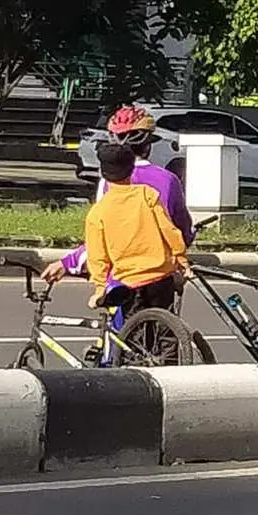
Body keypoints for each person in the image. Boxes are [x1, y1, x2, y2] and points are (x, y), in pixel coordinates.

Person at [42, 105, 192, 293]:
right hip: (160, 272)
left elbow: (100, 237)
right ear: (148, 145)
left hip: (121, 274)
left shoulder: (108, 183)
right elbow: (181, 228)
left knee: (119, 315)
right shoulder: (169, 180)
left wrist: (68, 262)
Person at [82, 143, 190, 364]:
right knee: (166, 331)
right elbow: (169, 230)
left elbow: (98, 257)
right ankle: (170, 370)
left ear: (103, 174)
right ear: (132, 169)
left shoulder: (98, 213)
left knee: (133, 335)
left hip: (129, 282)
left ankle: (136, 374)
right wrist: (181, 260)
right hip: (161, 276)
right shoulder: (147, 195)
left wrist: (100, 288)